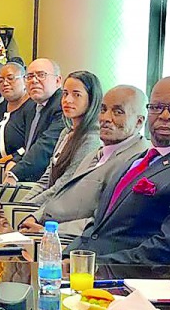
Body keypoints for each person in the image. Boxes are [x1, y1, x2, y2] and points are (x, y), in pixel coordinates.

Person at [69, 77, 170, 265]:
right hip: (85, 264)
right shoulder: (144, 156)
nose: (165, 115)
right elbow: (99, 225)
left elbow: (166, 252)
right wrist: (67, 258)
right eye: (156, 107)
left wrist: (88, 267)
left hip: (126, 280)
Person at [19, 85, 149, 235]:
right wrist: (34, 217)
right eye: (103, 110)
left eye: (117, 112)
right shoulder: (95, 153)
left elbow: (106, 220)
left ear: (139, 122)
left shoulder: (139, 161)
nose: (106, 118)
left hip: (71, 242)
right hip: (44, 228)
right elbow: (62, 193)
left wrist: (48, 231)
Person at [33, 71, 103, 188]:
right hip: (49, 200)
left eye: (77, 95)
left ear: (91, 100)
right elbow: (46, 179)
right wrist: (23, 204)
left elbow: (64, 186)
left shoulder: (91, 139)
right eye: (65, 94)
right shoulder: (66, 132)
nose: (67, 100)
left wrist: (27, 206)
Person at [7, 58, 64, 183]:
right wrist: (15, 160)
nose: (34, 80)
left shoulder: (61, 106)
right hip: (28, 176)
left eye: (41, 75)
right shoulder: (32, 106)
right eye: (30, 76)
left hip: (46, 181)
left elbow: (46, 146)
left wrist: (16, 172)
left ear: (58, 81)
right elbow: (25, 145)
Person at [0, 62, 31, 166]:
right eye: (0, 81)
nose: (5, 83)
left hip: (9, 168)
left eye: (10, 78)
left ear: (25, 80)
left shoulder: (32, 108)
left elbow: (26, 149)